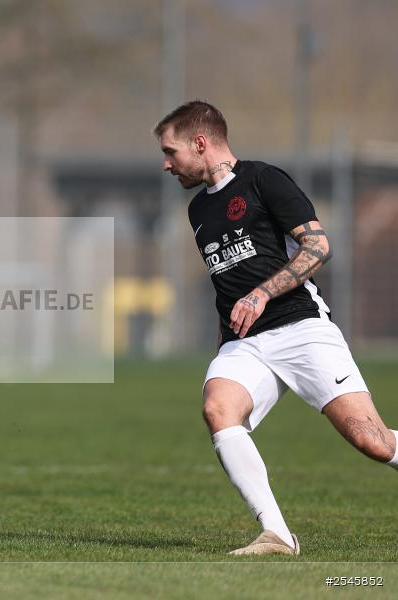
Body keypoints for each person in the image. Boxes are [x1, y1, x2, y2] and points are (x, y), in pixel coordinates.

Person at [154, 100, 398, 555]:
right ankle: (277, 534)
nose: (167, 164)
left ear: (200, 142)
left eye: (171, 152)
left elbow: (318, 247)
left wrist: (263, 293)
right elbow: (229, 277)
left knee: (374, 442)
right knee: (218, 409)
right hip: (244, 344)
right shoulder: (196, 211)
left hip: (301, 327)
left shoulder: (265, 180)